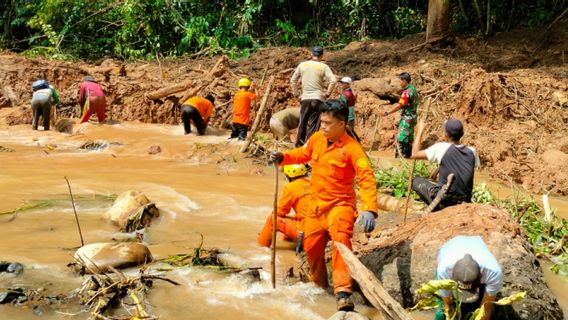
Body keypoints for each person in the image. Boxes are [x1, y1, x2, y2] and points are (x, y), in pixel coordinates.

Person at [269, 99, 378, 311]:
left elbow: (366, 178)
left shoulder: (352, 149)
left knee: (341, 243)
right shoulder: (317, 138)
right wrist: (282, 157)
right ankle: (319, 286)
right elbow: (302, 154)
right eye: (322, 122)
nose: (323, 127)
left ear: (341, 124)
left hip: (340, 205)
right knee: (311, 247)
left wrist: (369, 209)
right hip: (316, 204)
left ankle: (343, 292)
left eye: (327, 123)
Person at [410, 118, 480, 211]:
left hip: (445, 200)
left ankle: (436, 209)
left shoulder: (441, 148)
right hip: (465, 199)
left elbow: (415, 154)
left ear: (446, 135)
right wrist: (439, 168)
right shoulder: (472, 151)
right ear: (462, 134)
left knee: (416, 181)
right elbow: (462, 166)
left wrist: (420, 131)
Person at [435, 235, 503, 320]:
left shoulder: (493, 273)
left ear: (481, 275)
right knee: (441, 313)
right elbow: (447, 304)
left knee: (476, 308)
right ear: (452, 278)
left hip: (477, 245)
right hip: (452, 246)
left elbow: (486, 309)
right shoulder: (444, 271)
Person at [257, 164, 312, 251]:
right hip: (319, 228)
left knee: (272, 219)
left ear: (288, 175)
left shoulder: (291, 187)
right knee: (293, 219)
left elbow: (281, 211)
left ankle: (261, 248)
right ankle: (289, 243)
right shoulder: (313, 184)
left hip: (307, 231)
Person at [290, 46, 337, 147]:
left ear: (311, 54)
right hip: (318, 98)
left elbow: (292, 80)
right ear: (322, 55)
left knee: (303, 121)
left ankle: (298, 144)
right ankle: (309, 145)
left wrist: (297, 94)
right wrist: (327, 93)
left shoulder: (303, 65)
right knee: (314, 124)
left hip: (305, 97)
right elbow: (333, 80)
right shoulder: (323, 67)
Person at [383, 72, 418, 158]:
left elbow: (399, 106)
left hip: (407, 119)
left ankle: (399, 160)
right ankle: (407, 159)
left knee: (401, 139)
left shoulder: (406, 93)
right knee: (409, 140)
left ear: (405, 81)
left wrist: (387, 113)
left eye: (400, 81)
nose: (399, 83)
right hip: (413, 118)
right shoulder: (413, 90)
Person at [338, 76, 360, 142]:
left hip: (348, 116)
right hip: (350, 115)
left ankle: (356, 144)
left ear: (348, 84)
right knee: (350, 132)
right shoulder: (350, 93)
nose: (341, 85)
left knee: (348, 133)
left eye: (343, 83)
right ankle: (357, 142)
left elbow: (342, 105)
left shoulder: (346, 94)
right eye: (341, 83)